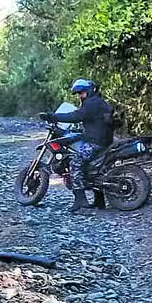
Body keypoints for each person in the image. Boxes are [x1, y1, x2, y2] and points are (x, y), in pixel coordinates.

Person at [41, 79, 115, 212]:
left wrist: (53, 117)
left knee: (75, 163)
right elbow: (92, 122)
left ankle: (80, 199)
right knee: (91, 168)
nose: (80, 96)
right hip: (102, 139)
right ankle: (99, 201)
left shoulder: (92, 103)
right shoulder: (98, 102)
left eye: (82, 93)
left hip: (96, 142)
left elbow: (76, 116)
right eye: (79, 93)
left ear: (89, 91)